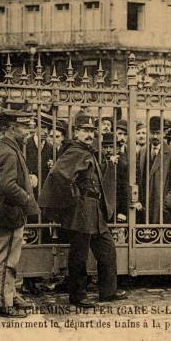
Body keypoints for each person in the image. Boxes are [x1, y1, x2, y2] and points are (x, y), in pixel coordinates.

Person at [39, 111, 127, 308]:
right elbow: (58, 175)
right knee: (79, 254)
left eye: (91, 131)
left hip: (93, 209)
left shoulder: (86, 150)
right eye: (84, 130)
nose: (89, 134)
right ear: (76, 132)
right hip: (81, 209)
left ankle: (108, 292)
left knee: (107, 249)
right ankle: (77, 296)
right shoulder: (75, 151)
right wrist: (74, 197)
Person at [0, 106, 40, 318]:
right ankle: (2, 302)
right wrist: (27, 198)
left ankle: (10, 294)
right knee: (7, 259)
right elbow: (8, 186)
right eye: (24, 126)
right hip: (9, 213)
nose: (28, 130)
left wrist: (28, 181)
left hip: (10, 212)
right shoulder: (8, 151)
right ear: (11, 128)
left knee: (11, 258)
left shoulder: (8, 146)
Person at [136, 116, 171, 224]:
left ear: (164, 133)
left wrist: (166, 204)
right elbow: (137, 176)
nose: (155, 136)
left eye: (158, 133)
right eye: (152, 133)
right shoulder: (142, 151)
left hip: (161, 207)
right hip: (144, 206)